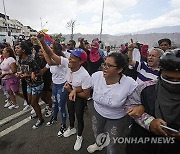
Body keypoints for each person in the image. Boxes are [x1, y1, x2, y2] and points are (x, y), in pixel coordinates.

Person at [37, 33, 91, 151]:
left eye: (73, 58)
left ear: (80, 61)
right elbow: (51, 54)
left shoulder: (85, 75)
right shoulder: (67, 63)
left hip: (79, 97)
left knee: (79, 116)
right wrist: (41, 42)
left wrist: (72, 90)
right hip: (69, 91)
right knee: (70, 112)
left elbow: (86, 95)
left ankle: (79, 136)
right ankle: (71, 128)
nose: (70, 59)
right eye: (70, 56)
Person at [86, 52, 143, 154]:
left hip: (117, 117)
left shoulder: (129, 83)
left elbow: (142, 98)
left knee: (112, 144)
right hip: (98, 111)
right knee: (97, 131)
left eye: (109, 65)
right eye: (104, 64)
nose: (104, 67)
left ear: (120, 69)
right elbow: (85, 88)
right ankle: (99, 145)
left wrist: (140, 107)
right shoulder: (96, 76)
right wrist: (73, 90)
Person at [126, 49, 180, 154]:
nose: (174, 83)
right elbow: (130, 107)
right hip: (144, 145)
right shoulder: (146, 88)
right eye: (169, 78)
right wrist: (149, 122)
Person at [15, 41, 44, 129]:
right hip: (29, 83)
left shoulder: (31, 60)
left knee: (34, 102)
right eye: (15, 48)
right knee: (30, 101)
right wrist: (20, 74)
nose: (15, 50)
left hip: (37, 84)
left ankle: (40, 119)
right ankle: (36, 113)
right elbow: (23, 70)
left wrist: (27, 75)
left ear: (23, 50)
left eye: (18, 48)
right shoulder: (20, 60)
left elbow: (39, 72)